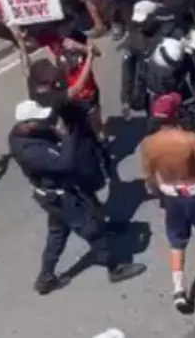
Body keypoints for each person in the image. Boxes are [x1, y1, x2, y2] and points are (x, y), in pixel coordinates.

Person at [10, 99, 146, 295]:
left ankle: (45, 277)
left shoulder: (24, 134)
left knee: (58, 233)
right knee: (91, 229)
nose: (44, 122)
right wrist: (65, 137)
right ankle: (114, 267)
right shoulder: (30, 151)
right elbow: (64, 164)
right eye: (38, 121)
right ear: (26, 124)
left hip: (56, 194)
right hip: (61, 197)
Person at [139, 92, 195, 313]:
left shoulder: (149, 144)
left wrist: (160, 195)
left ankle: (179, 289)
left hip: (171, 195)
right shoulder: (189, 140)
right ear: (176, 113)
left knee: (177, 242)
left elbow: (150, 178)